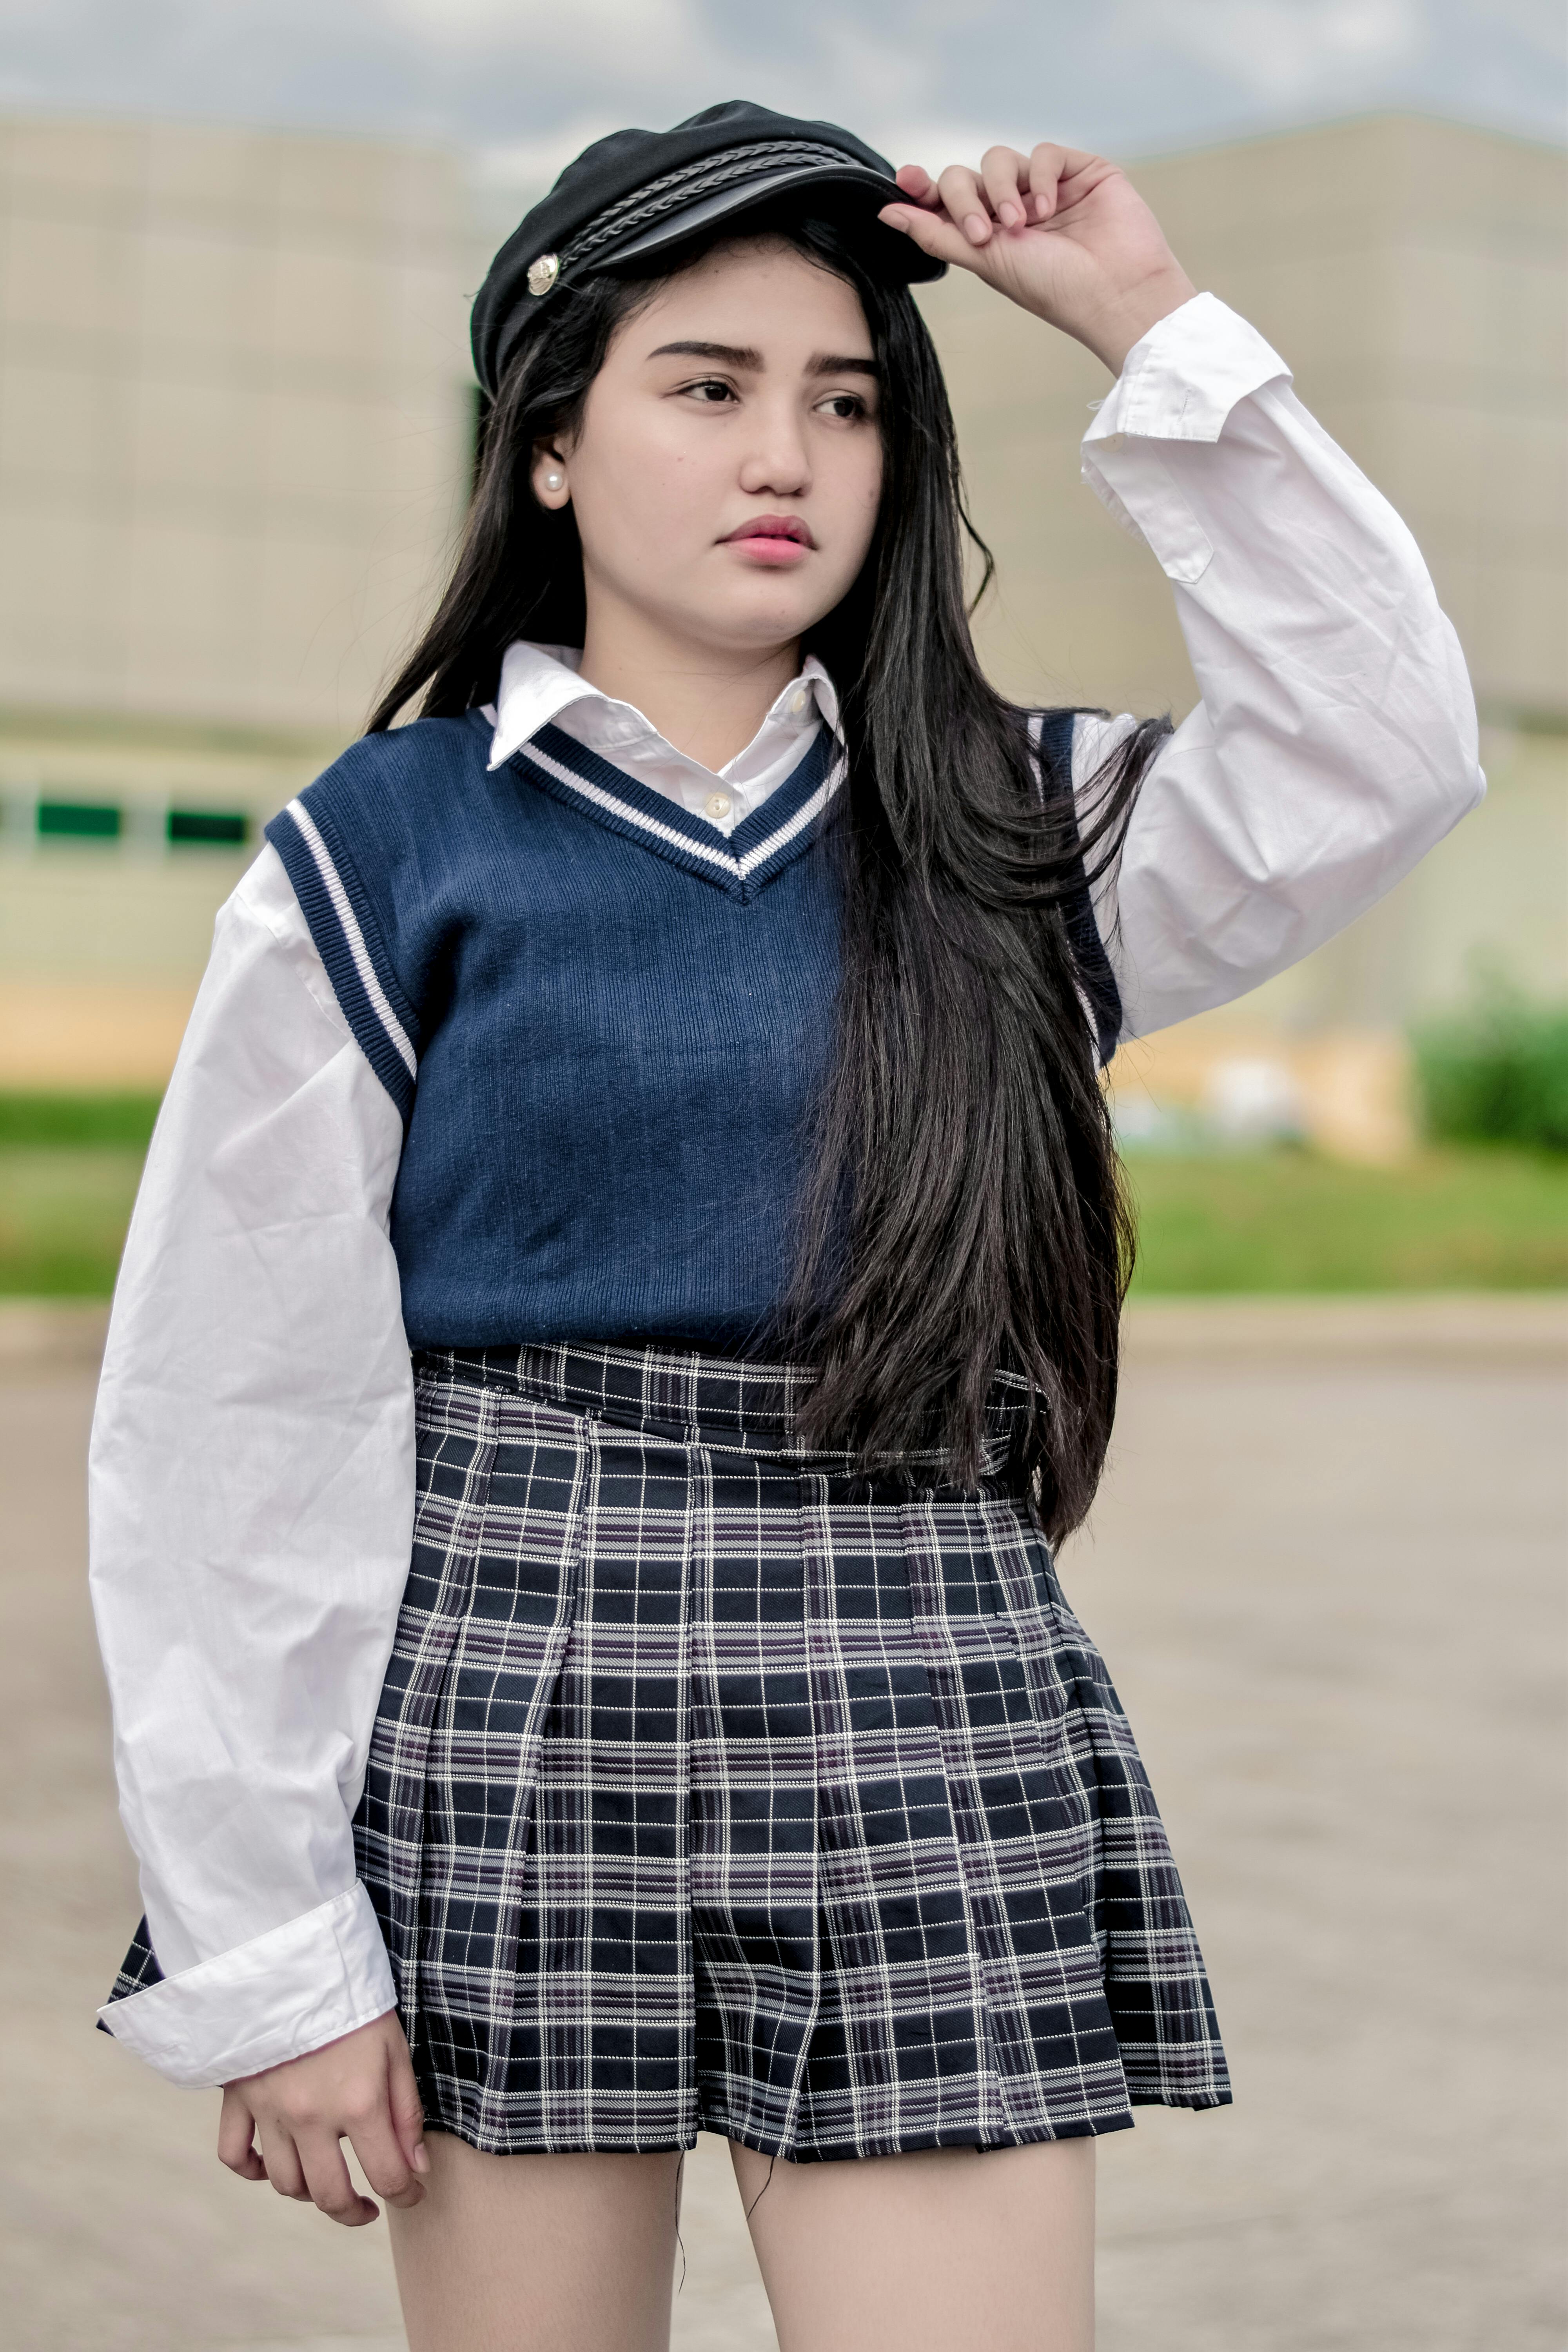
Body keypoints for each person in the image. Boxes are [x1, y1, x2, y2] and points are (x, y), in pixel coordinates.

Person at [88, 101, 1481, 2352]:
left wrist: (1139, 314)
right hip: (516, 1683)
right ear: (547, 449)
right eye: (707, 386)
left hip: (923, 1662)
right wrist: (268, 1950)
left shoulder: (1022, 826)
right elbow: (232, 1404)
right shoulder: (391, 844)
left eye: (845, 400)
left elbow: (1389, 743)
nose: (788, 455)